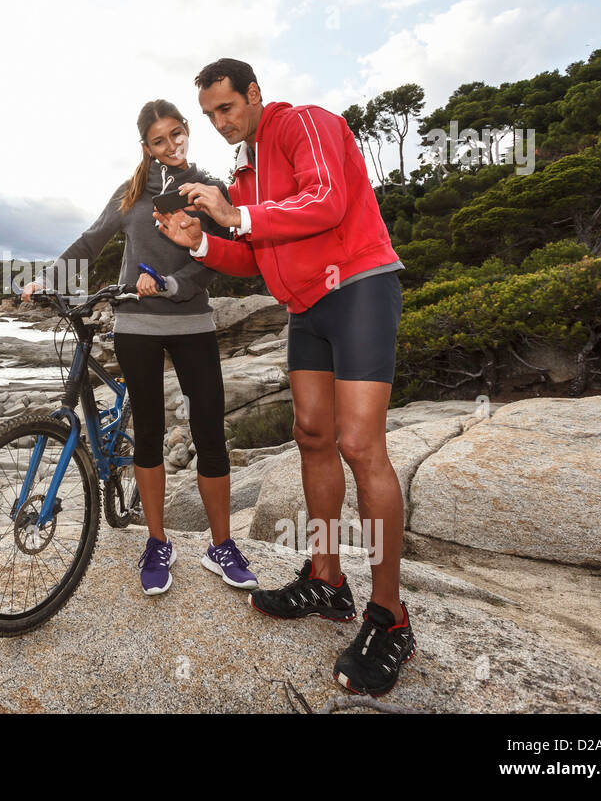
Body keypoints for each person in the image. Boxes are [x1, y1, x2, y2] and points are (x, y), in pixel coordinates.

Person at [154, 58, 414, 696]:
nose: (220, 123)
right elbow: (252, 251)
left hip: (356, 286)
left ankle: (391, 617)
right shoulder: (244, 172)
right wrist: (200, 241)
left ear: (253, 94)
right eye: (211, 115)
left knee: (360, 445)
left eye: (227, 108)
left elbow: (325, 202)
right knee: (312, 436)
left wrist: (235, 214)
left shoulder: (306, 125)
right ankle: (327, 580)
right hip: (304, 308)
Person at [23, 99, 259, 597]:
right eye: (159, 140)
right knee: (149, 433)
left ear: (187, 131)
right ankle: (157, 542)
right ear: (145, 147)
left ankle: (222, 545)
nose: (171, 146)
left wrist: (172, 283)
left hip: (193, 321)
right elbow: (91, 242)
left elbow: (213, 261)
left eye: (178, 134)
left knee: (208, 431)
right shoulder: (130, 194)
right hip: (136, 325)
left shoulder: (206, 189)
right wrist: (47, 277)